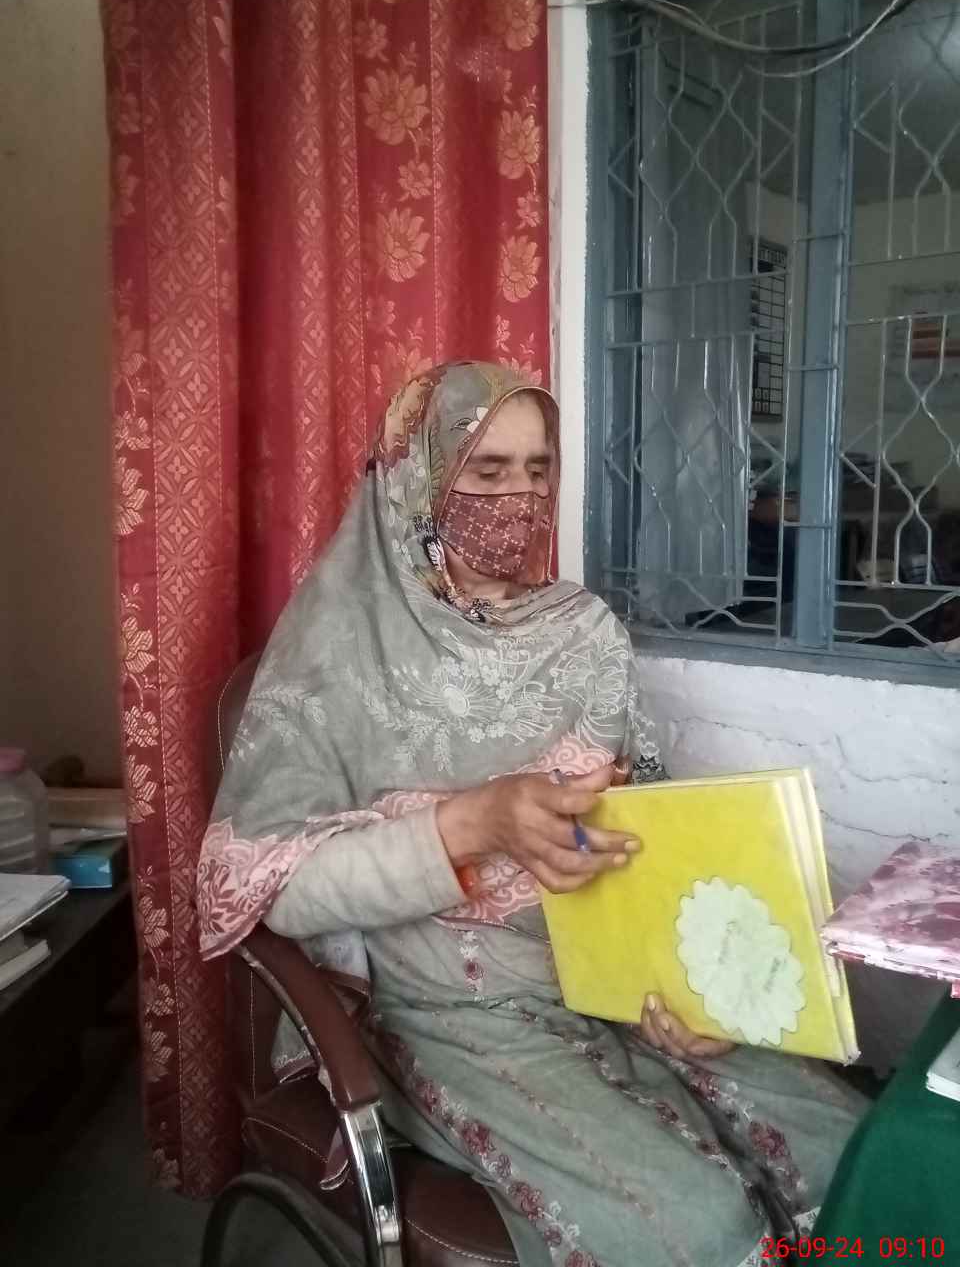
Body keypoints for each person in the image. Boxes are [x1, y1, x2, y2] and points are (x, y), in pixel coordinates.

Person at [197, 361, 863, 1267]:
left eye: (537, 469)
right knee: (699, 1225)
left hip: (612, 968)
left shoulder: (582, 632)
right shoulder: (336, 655)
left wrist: (692, 983)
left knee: (843, 1152)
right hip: (448, 1004)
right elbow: (267, 887)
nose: (519, 496)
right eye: (486, 469)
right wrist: (472, 826)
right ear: (420, 478)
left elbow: (641, 831)